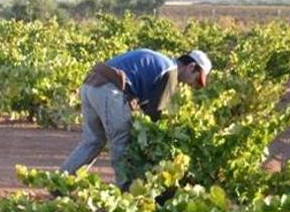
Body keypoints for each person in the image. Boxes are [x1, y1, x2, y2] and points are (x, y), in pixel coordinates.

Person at [60, 48, 212, 189]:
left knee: (93, 141)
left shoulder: (161, 61)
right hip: (108, 90)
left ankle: (60, 183)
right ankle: (127, 193)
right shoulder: (171, 72)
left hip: (90, 85)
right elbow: (155, 114)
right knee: (122, 143)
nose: (192, 85)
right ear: (191, 67)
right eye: (196, 80)